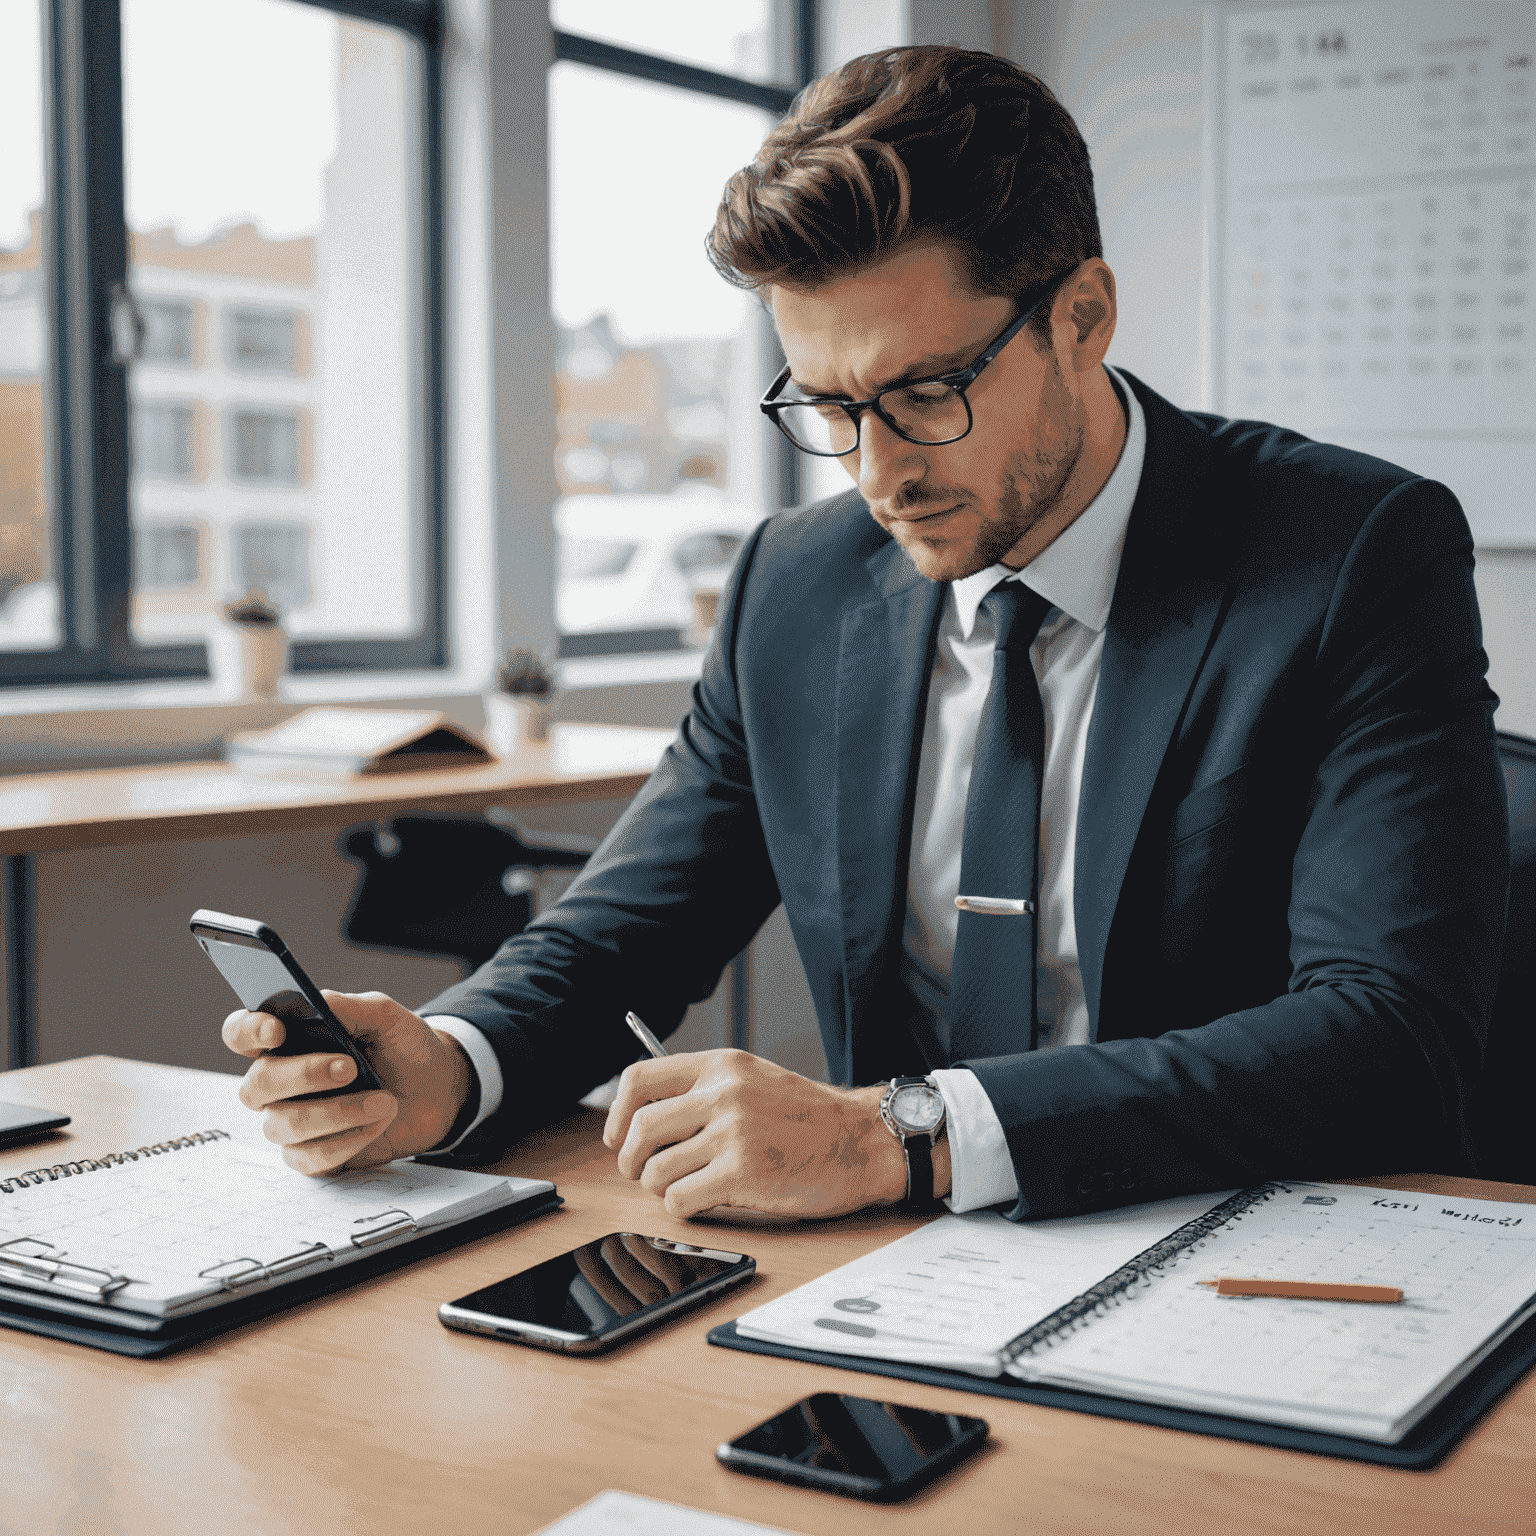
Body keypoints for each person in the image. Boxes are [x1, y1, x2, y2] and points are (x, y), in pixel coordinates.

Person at [224, 46, 1508, 1223]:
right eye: (829, 403)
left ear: (1082, 316)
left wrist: (901, 1133)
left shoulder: (1349, 554)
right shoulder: (798, 584)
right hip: (895, 1279)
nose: (878, 471)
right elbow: (626, 927)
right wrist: (450, 1062)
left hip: (1239, 1247)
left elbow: (1391, 1032)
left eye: (927, 390)